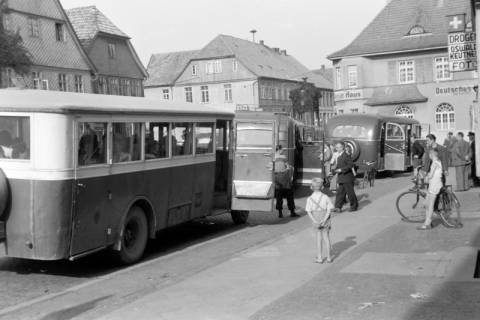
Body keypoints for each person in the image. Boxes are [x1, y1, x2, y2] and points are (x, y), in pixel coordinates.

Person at [305, 178, 334, 264]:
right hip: (325, 218)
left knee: (319, 239)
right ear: (322, 187)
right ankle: (329, 258)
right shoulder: (325, 197)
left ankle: (320, 258)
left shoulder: (310, 198)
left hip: (316, 218)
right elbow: (329, 209)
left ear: (311, 187)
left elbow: (308, 211)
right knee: (326, 238)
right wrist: (324, 220)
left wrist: (315, 220)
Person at [418, 148, 443, 230]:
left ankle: (427, 223)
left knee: (430, 204)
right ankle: (428, 221)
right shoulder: (438, 162)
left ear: (431, 155)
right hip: (435, 184)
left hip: (434, 185)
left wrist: (424, 176)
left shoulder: (434, 163)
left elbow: (431, 175)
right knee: (426, 203)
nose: (429, 156)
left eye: (429, 155)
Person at [332, 142, 358, 212]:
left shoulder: (346, 155)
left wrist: (341, 170)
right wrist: (333, 171)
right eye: (337, 147)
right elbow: (339, 165)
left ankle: (354, 206)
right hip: (342, 177)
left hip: (347, 178)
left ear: (343, 147)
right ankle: (338, 207)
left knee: (350, 193)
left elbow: (350, 165)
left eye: (339, 147)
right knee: (340, 193)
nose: (338, 149)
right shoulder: (339, 155)